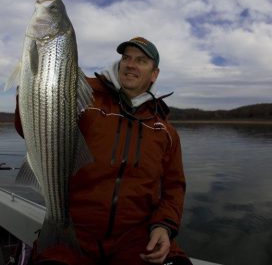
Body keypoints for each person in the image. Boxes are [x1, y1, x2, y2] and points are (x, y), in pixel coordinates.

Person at [15, 37, 192, 265]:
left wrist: (163, 226)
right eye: (126, 58)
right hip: (76, 230)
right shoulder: (86, 99)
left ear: (154, 74)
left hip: (137, 238)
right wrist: (32, 81)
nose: (130, 64)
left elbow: (174, 187)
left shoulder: (165, 131)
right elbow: (35, 127)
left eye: (141, 60)